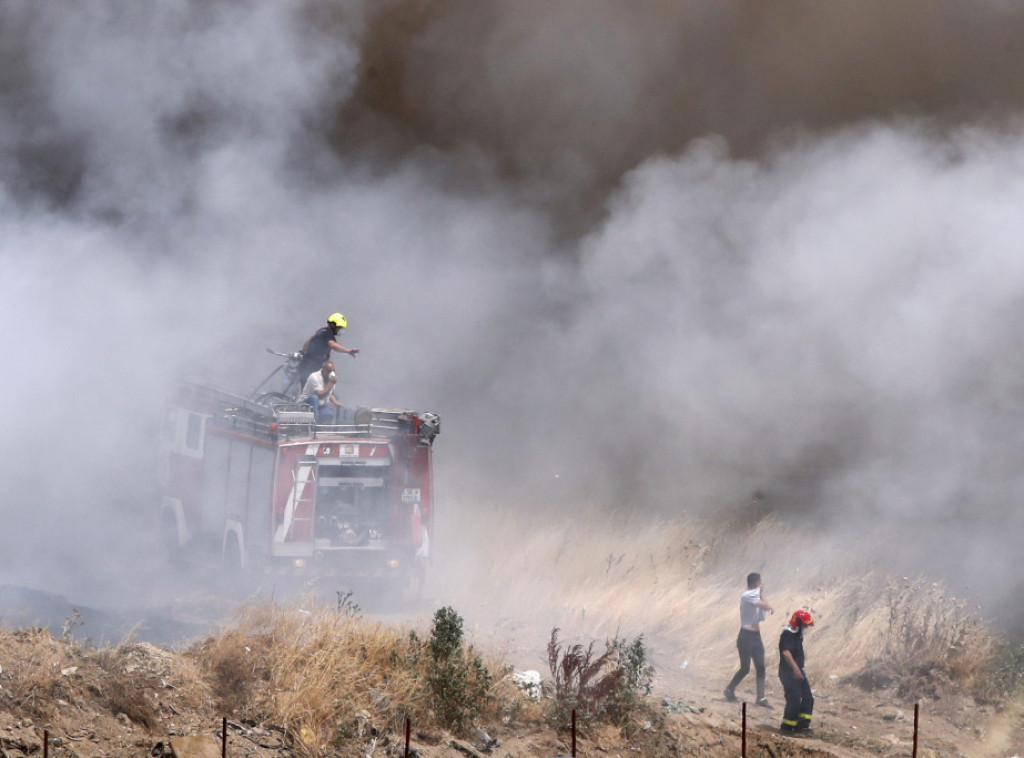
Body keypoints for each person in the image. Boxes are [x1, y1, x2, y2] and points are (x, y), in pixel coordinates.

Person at [724, 572, 775, 707]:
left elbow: (765, 605)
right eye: (760, 581)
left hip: (755, 637)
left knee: (760, 667)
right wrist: (762, 593)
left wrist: (762, 595)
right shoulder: (748, 595)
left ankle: (761, 698)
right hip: (746, 636)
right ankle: (730, 689)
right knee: (745, 668)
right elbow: (765, 605)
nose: (762, 584)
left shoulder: (752, 595)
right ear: (757, 582)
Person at [293, 313, 359, 393]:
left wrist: (304, 351)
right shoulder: (328, 334)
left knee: (313, 390)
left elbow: (309, 341)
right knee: (311, 394)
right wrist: (348, 351)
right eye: (339, 327)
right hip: (311, 367)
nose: (340, 330)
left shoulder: (321, 331)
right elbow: (333, 345)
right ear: (333, 325)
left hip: (307, 365)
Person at [778, 610, 815, 734]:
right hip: (789, 672)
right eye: (805, 625)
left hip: (799, 671)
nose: (806, 628)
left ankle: (802, 726)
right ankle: (787, 727)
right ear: (798, 623)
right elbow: (786, 653)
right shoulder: (788, 635)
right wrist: (795, 669)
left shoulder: (797, 635)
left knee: (808, 698)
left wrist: (799, 670)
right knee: (794, 699)